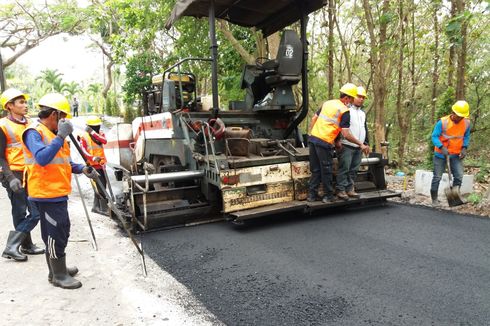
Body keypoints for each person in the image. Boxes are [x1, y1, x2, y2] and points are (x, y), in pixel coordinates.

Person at [22, 93, 98, 289]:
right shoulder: (34, 132)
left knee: (60, 231)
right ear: (54, 114)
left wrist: (82, 168)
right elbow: (42, 158)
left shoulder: (54, 134)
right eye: (62, 116)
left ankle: (56, 269)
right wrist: (61, 135)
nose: (64, 121)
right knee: (55, 233)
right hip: (45, 193)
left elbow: (64, 161)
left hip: (57, 192)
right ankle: (58, 275)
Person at [0, 88, 44, 262]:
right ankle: (19, 246)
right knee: (20, 211)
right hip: (13, 173)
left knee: (35, 211)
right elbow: (1, 156)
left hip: (30, 172)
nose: (25, 105)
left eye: (25, 102)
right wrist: (10, 178)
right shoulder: (2, 126)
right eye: (21, 102)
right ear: (9, 106)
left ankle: (19, 245)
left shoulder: (30, 123)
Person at [308, 83, 370, 203]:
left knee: (315, 169)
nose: (352, 101)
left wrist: (311, 133)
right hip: (324, 142)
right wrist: (361, 144)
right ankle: (328, 196)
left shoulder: (328, 103)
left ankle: (312, 195)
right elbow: (346, 133)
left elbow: (314, 118)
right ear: (346, 98)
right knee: (326, 169)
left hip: (313, 139)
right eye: (352, 99)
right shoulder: (344, 111)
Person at [430, 100, 471, 205]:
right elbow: (434, 136)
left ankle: (455, 196)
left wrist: (464, 148)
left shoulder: (466, 123)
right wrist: (441, 146)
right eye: (458, 116)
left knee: (459, 176)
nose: (459, 118)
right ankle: (434, 199)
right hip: (440, 154)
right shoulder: (442, 122)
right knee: (437, 177)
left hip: (456, 154)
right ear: (453, 113)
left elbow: (466, 136)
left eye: (461, 117)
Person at [335, 86, 371, 200]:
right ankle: (341, 189)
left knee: (354, 169)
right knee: (344, 168)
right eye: (359, 97)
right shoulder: (346, 109)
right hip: (347, 145)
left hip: (359, 146)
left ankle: (350, 189)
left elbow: (364, 128)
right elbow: (337, 125)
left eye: (363, 98)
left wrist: (366, 143)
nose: (361, 99)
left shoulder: (362, 113)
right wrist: (337, 140)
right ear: (353, 97)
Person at [78, 116, 109, 215]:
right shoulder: (84, 136)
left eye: (98, 126)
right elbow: (83, 151)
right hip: (92, 166)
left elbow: (104, 141)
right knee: (99, 187)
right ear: (89, 126)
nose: (97, 128)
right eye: (94, 127)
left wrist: (93, 133)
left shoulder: (99, 134)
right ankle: (102, 208)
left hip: (101, 165)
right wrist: (92, 158)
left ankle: (96, 207)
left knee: (103, 185)